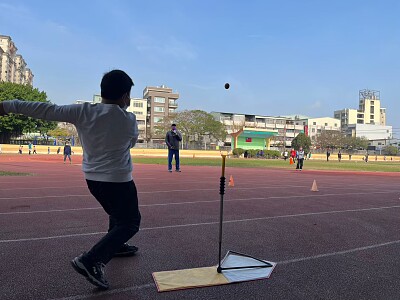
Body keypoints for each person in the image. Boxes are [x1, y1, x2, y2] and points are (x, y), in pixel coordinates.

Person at [0, 70, 141, 290]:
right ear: (125, 96)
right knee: (130, 222)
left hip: (93, 180)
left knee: (116, 213)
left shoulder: (83, 111)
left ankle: (116, 245)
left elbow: (46, 110)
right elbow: (131, 143)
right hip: (119, 180)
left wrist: (8, 105)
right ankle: (91, 260)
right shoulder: (129, 119)